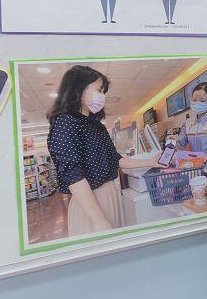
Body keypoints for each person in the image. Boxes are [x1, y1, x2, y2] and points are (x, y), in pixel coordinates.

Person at [47, 65, 161, 236]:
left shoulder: (96, 126)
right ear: (78, 88)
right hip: (89, 202)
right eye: (99, 90)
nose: (102, 96)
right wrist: (98, 219)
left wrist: (150, 161)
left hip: (110, 193)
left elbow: (115, 159)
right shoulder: (65, 122)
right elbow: (73, 175)